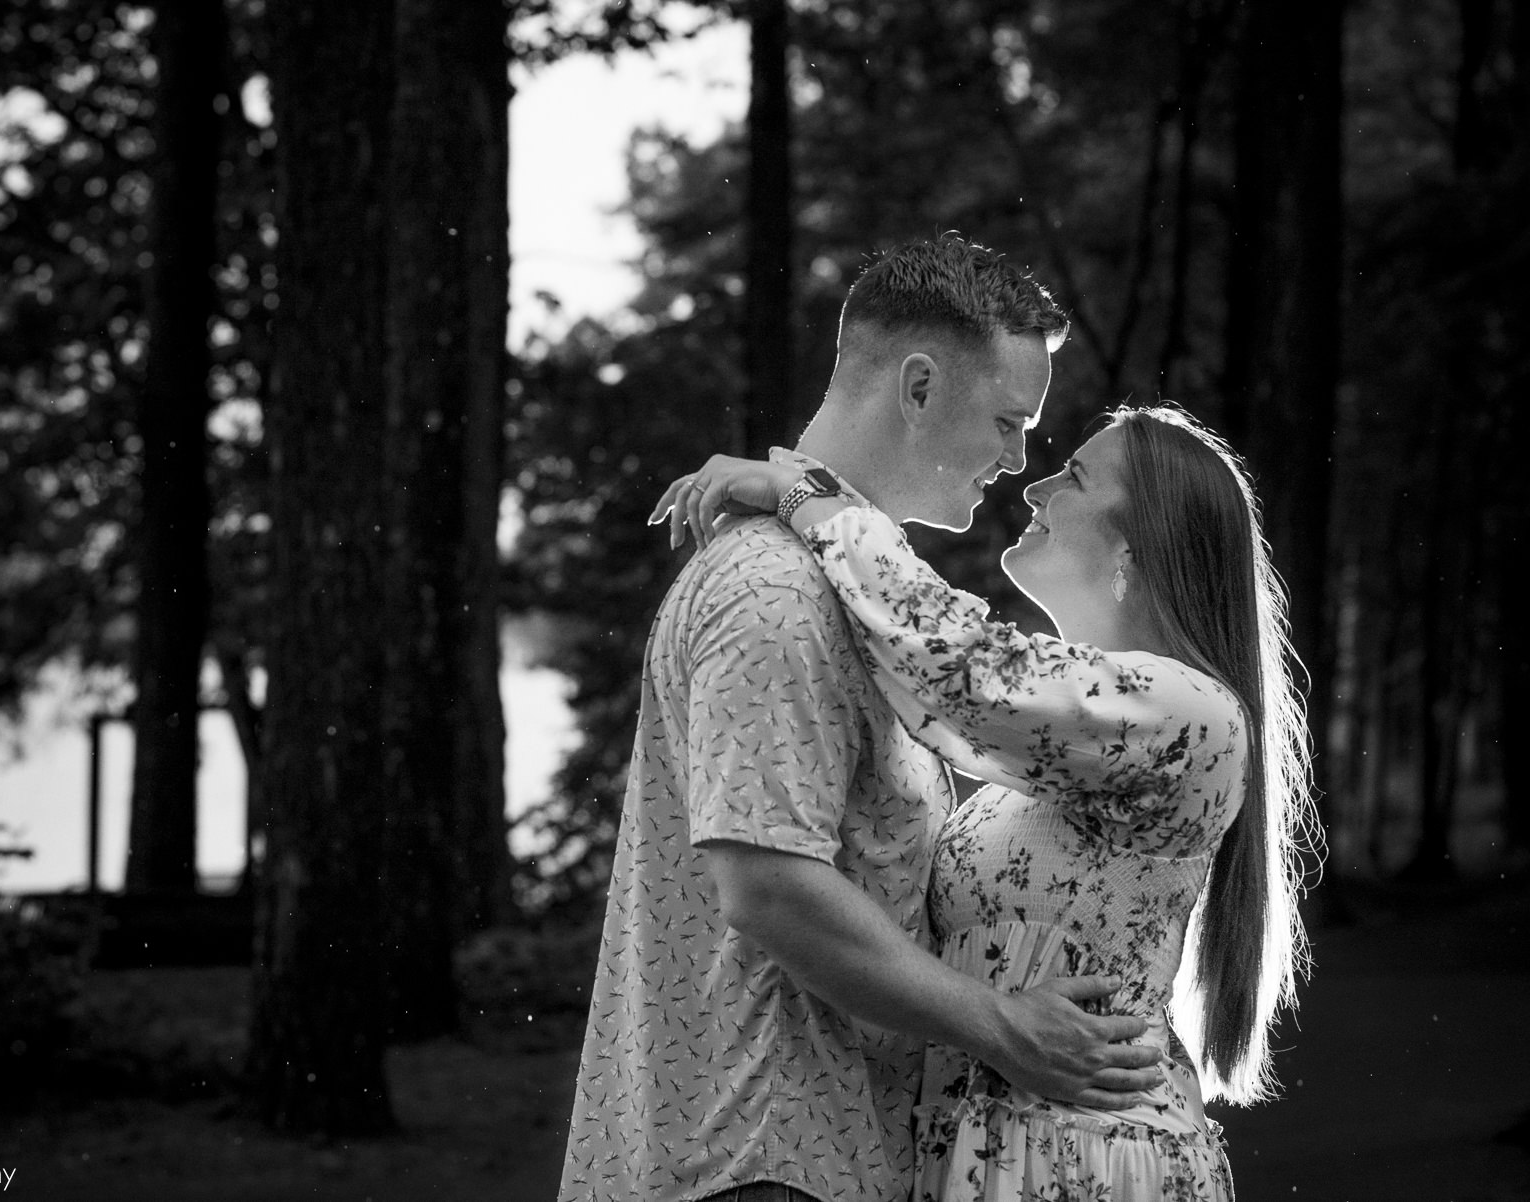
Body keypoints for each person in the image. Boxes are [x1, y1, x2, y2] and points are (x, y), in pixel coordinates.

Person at [557, 236, 1165, 1202]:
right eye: (1009, 422)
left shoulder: (844, 594)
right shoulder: (776, 592)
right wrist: (1005, 1025)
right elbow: (771, 889)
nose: (1015, 462)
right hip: (759, 1162)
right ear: (918, 388)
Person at [656, 403, 1316, 1200]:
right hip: (986, 1151)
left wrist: (805, 496)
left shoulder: (1190, 715)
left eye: (1071, 476)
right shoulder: (1066, 750)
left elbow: (962, 668)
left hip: (1088, 1158)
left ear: (1133, 547)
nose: (1034, 488)